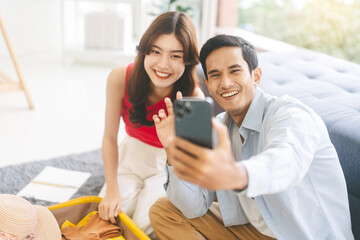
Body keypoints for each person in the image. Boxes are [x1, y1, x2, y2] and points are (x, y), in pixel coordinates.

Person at [149, 34, 354, 240]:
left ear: (256, 76)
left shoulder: (291, 115)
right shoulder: (220, 126)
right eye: (216, 75)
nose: (226, 83)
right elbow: (192, 208)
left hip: (299, 235)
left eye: (234, 71)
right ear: (208, 84)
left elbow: (285, 161)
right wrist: (171, 149)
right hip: (256, 231)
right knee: (165, 210)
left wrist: (235, 175)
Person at [98, 11, 204, 237]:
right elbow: (109, 137)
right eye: (156, 51)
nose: (163, 64)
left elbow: (193, 165)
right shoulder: (119, 78)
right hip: (130, 157)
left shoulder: (193, 98)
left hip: (167, 166)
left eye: (176, 56)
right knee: (109, 216)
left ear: (188, 60)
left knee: (146, 227)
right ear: (144, 50)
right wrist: (112, 189)